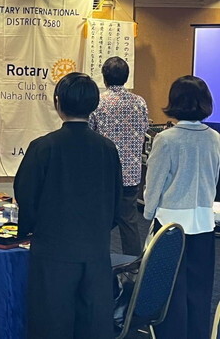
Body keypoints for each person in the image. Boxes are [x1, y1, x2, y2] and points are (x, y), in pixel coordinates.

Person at [14, 72, 122, 339]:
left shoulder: (43, 147)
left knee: (51, 324)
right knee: (92, 324)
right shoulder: (107, 148)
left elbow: (25, 195)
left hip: (53, 251)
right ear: (94, 104)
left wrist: (30, 229)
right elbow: (116, 200)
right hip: (96, 250)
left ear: (57, 102)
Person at [144, 75, 220, 339]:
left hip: (170, 226)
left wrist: (148, 213)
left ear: (174, 101)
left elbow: (154, 184)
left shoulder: (166, 139)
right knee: (200, 292)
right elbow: (214, 178)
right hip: (204, 223)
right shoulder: (215, 138)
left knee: (170, 292)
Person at [89, 56, 149, 256]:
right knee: (129, 222)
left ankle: (97, 260)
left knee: (100, 222)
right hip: (131, 174)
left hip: (104, 175)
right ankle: (133, 266)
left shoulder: (98, 103)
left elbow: (90, 133)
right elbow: (144, 129)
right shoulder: (139, 102)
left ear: (104, 78)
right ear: (126, 77)